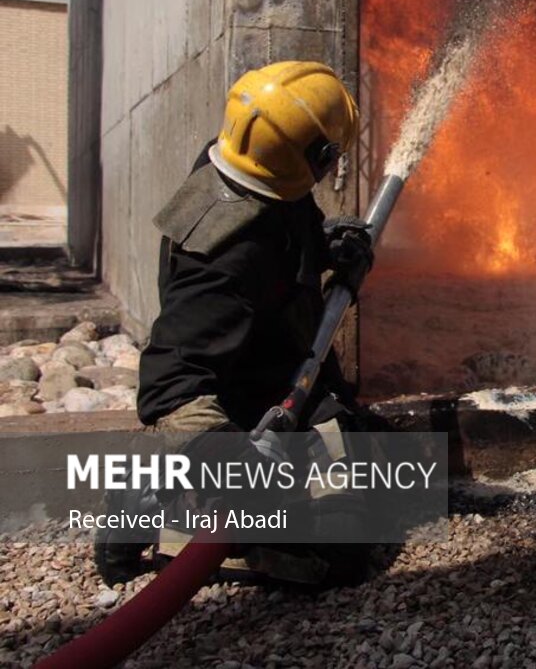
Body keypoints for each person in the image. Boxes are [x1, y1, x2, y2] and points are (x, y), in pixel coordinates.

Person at [95, 61, 375, 585]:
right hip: (234, 408)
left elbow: (289, 232)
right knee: (335, 558)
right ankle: (154, 511)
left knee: (354, 468)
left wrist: (329, 245)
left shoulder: (252, 165)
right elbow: (171, 387)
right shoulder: (226, 260)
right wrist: (242, 471)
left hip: (278, 363)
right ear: (316, 158)